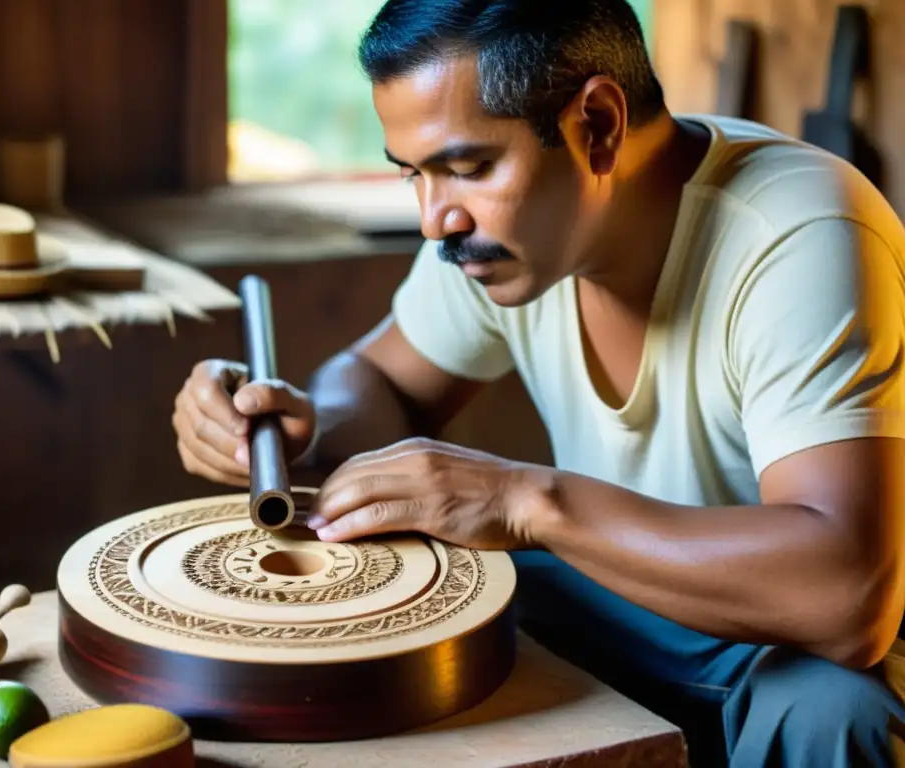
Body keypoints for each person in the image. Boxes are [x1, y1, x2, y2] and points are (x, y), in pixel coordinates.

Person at [172, 0, 905, 764]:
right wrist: (301, 425)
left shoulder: (797, 232)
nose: (435, 220)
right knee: (432, 597)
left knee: (828, 708)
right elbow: (380, 378)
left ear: (597, 125)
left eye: (468, 167)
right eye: (413, 175)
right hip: (615, 597)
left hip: (775, 642)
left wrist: (524, 500)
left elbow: (846, 597)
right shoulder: (503, 230)